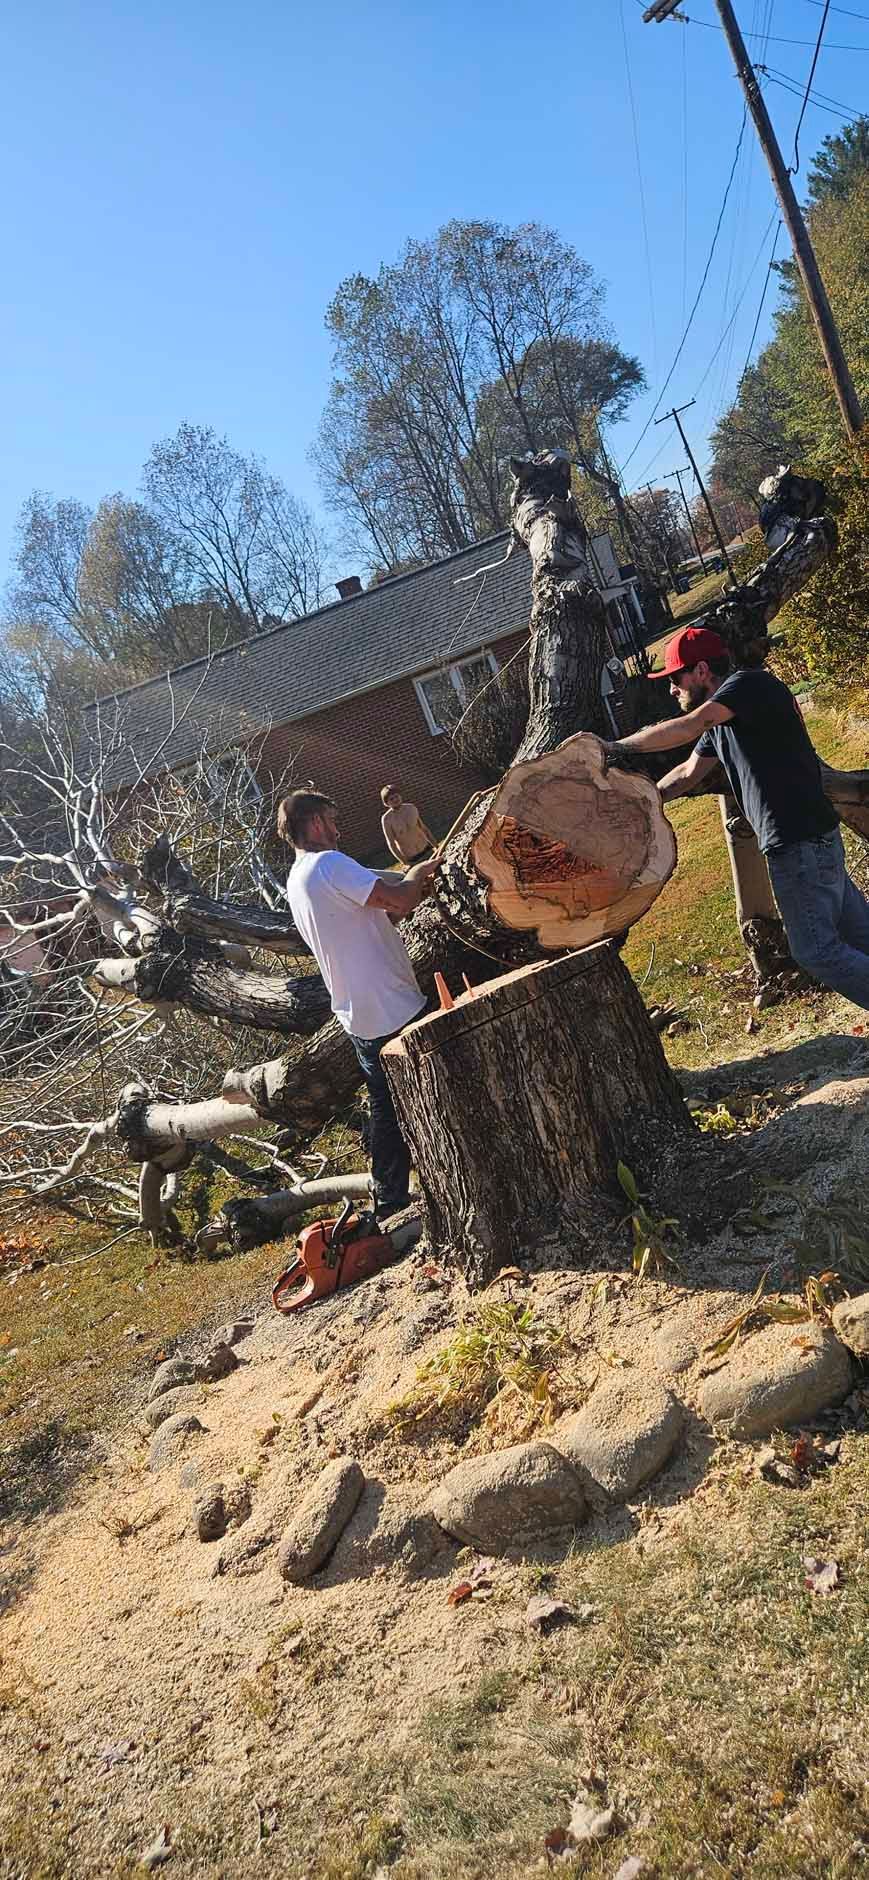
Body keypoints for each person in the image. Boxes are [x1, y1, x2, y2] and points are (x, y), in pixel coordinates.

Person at [608, 624, 869, 1012]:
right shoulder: (725, 720)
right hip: (809, 838)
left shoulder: (749, 687)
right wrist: (643, 804)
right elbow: (686, 773)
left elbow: (690, 725)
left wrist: (615, 746)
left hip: (796, 841)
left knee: (815, 952)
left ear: (700, 671)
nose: (671, 689)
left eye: (674, 678)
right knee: (859, 938)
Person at [278, 788, 438, 1215]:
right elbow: (401, 899)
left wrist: (416, 872)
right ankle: (438, 1177)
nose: (337, 828)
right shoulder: (329, 864)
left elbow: (381, 892)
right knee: (438, 1085)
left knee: (387, 1109)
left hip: (360, 1012)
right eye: (331, 819)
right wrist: (416, 879)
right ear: (314, 824)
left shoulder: (299, 878)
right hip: (391, 1006)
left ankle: (389, 1197)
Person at [380, 785, 435, 866]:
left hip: (427, 849)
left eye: (396, 796)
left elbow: (424, 829)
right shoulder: (387, 819)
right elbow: (391, 844)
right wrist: (405, 862)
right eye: (391, 799)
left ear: (400, 795)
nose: (395, 799)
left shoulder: (411, 808)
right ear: (386, 803)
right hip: (413, 859)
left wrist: (436, 846)